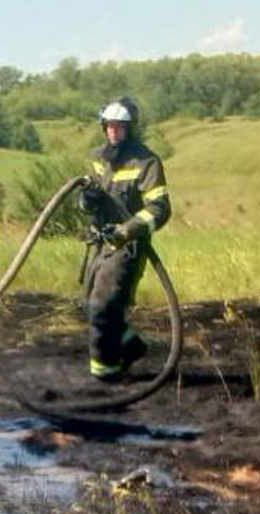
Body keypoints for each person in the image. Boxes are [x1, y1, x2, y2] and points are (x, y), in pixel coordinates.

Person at [79, 96, 171, 381]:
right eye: (109, 125)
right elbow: (85, 204)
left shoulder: (146, 162)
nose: (113, 131)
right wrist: (88, 200)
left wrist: (125, 231)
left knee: (102, 306)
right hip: (99, 244)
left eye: (120, 126)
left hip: (127, 247)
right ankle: (130, 347)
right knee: (92, 307)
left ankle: (106, 374)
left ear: (130, 128)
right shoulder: (98, 158)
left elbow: (160, 208)